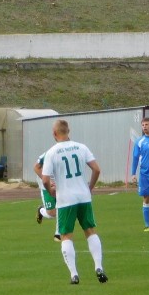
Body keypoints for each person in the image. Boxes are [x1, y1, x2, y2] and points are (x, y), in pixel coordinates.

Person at [41, 119, 107, 285]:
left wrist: (51, 192)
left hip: (65, 199)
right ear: (68, 131)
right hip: (83, 196)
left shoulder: (52, 152)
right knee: (90, 231)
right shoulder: (81, 147)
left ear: (54, 134)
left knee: (66, 236)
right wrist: (89, 187)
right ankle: (98, 267)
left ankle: (74, 274)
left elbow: (45, 179)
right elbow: (97, 169)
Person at [34, 151, 61, 242]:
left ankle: (58, 234)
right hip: (45, 185)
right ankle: (41, 210)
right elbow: (36, 168)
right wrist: (48, 181)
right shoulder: (48, 154)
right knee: (52, 214)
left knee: (61, 207)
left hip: (59, 184)